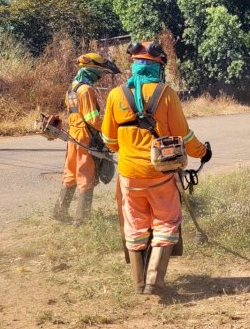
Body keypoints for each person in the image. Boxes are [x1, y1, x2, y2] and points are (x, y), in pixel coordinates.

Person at [101, 41, 211, 295]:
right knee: (166, 221)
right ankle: (154, 282)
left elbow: (110, 140)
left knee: (135, 224)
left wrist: (130, 150)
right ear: (158, 66)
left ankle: (139, 284)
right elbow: (183, 136)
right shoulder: (166, 93)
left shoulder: (116, 95)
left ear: (135, 66)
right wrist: (202, 152)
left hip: (129, 175)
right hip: (161, 174)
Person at [52, 53, 120, 224]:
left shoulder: (72, 88)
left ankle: (60, 212)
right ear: (93, 70)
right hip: (86, 138)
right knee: (86, 177)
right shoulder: (86, 90)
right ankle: (82, 219)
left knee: (70, 174)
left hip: (72, 137)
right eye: (101, 73)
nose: (101, 76)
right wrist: (111, 130)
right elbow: (93, 119)